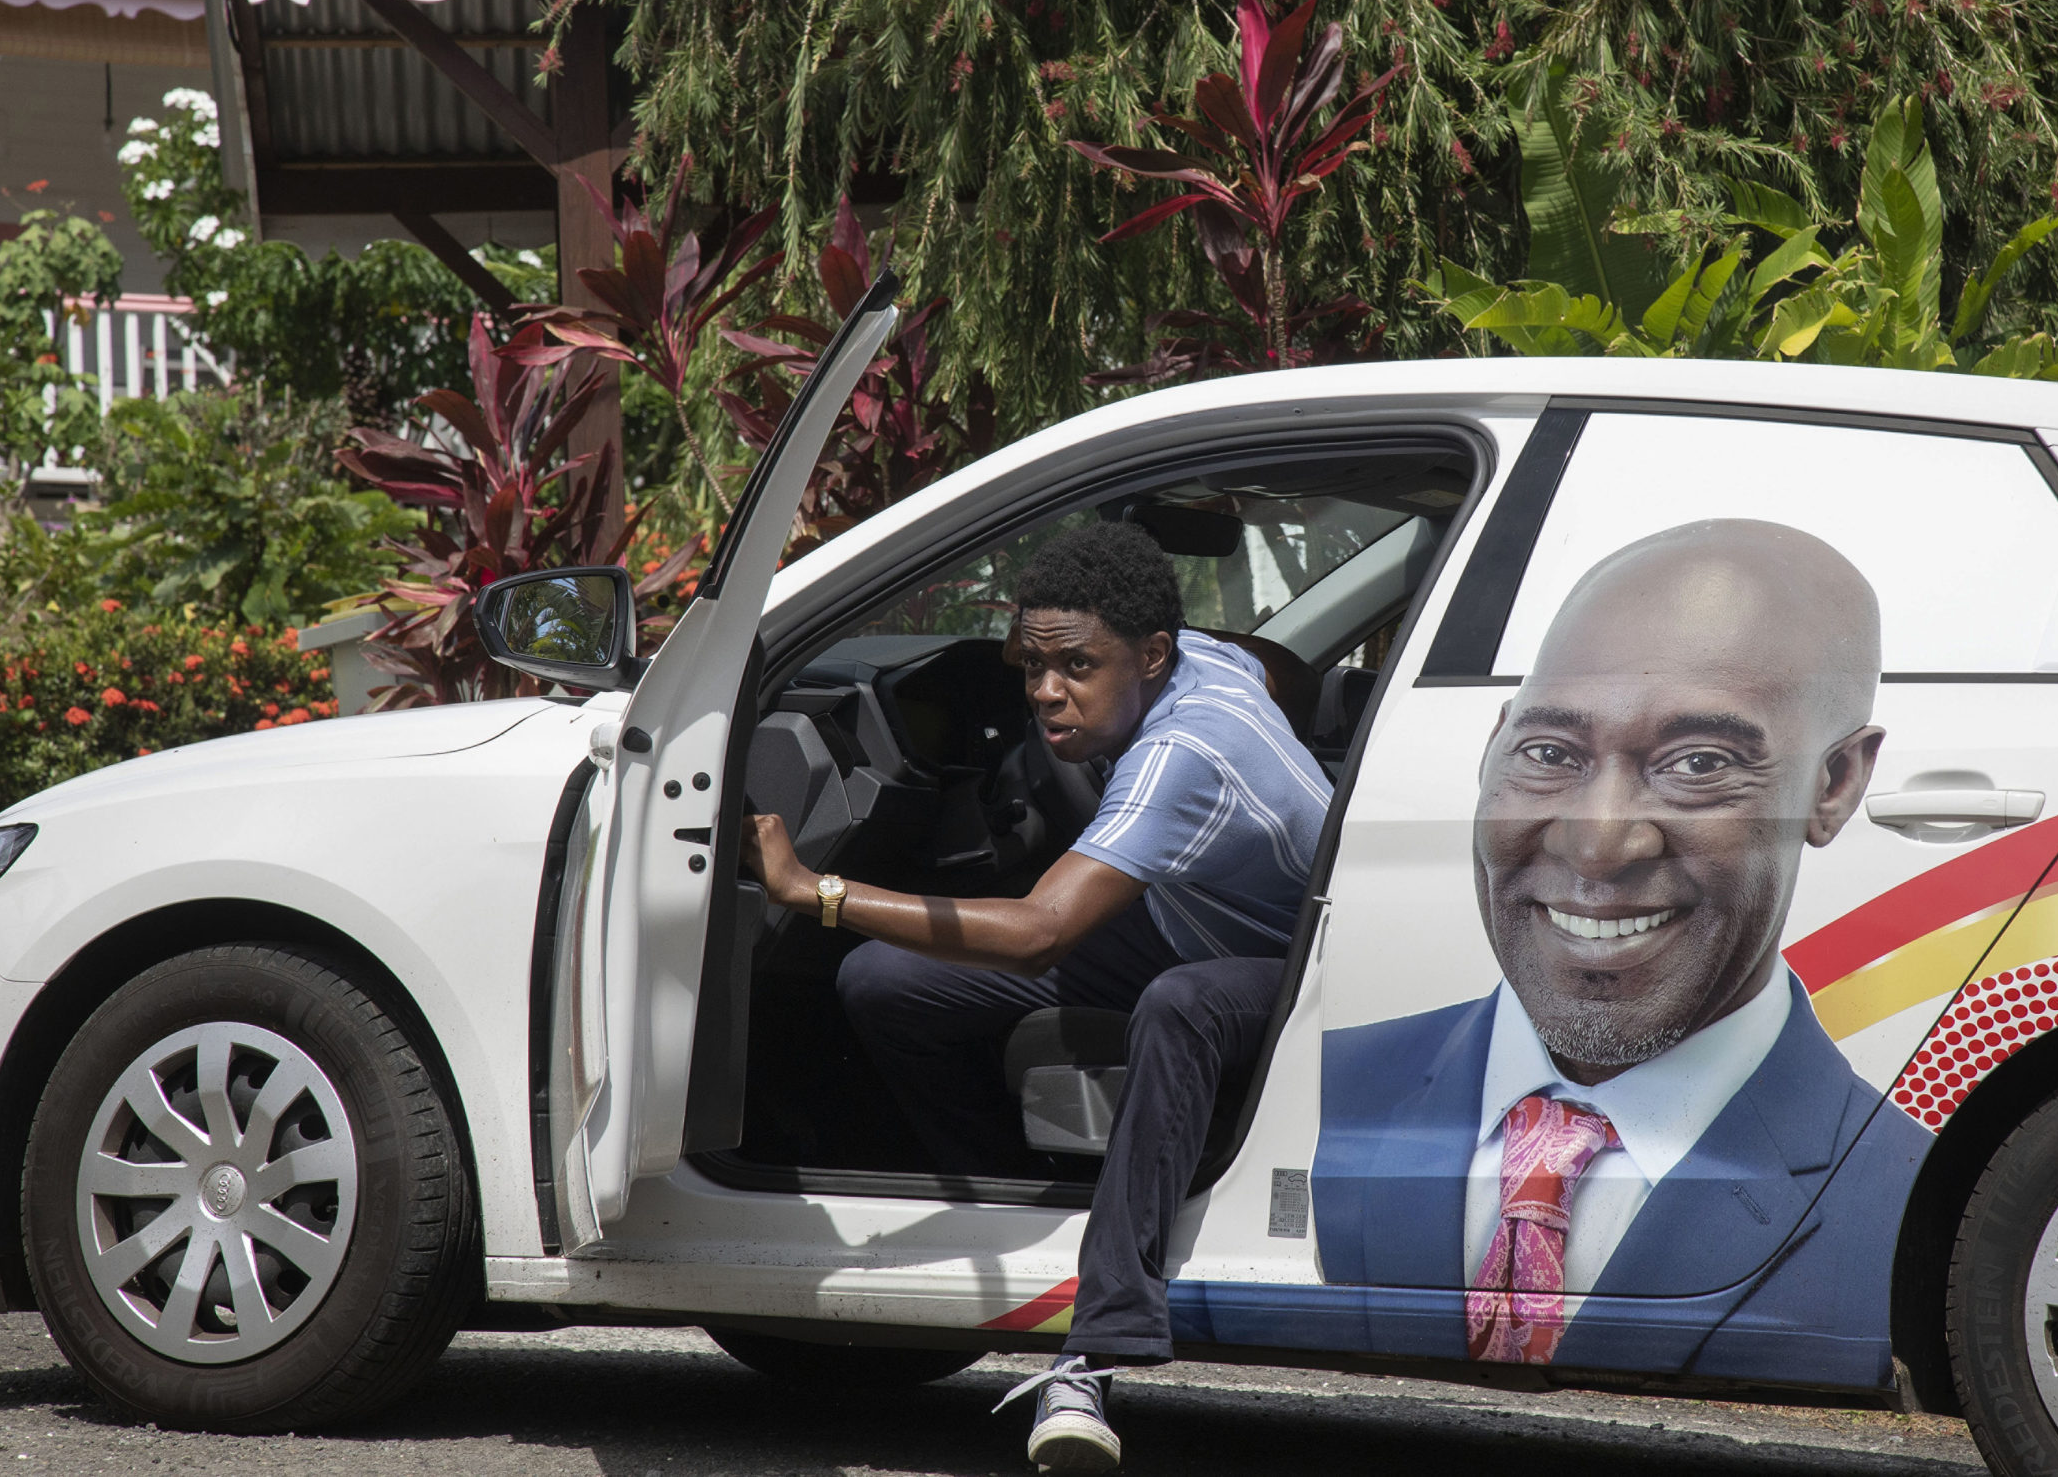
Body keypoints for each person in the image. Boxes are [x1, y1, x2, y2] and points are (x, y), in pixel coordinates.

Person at [743, 522, 1331, 1472]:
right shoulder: (1214, 660)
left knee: (1179, 1004)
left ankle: (1095, 1350)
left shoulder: (1180, 757)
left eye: (1078, 667)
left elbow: (1038, 932)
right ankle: (1019, 1217)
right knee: (886, 982)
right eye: (1034, 666)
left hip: (1294, 967)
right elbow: (1281, 665)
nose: (1049, 691)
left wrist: (819, 891)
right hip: (1184, 915)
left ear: (1151, 656)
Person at [1311, 519, 1932, 1389]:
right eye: (1549, 752)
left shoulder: (1919, 1218)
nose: (1599, 841)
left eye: (1699, 762)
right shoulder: (1323, 1094)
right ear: (1494, 745)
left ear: (1835, 785)